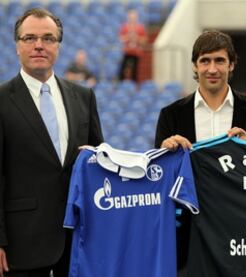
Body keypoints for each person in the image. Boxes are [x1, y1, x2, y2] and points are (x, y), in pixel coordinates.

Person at [154, 30, 246, 275]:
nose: (212, 69)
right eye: (205, 61)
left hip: (241, 229)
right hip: (187, 233)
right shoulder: (171, 115)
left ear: (231, 64)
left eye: (219, 60)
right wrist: (164, 152)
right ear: (195, 65)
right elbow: (160, 178)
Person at [0, 8, 103, 277]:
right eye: (29, 38)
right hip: (21, 244)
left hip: (78, 240)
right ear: (17, 46)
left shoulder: (83, 97)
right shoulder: (1, 100)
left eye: (48, 38)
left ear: (58, 46)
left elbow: (98, 161)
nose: (38, 45)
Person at [118, 9, 148, 82]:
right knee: (122, 69)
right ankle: (121, 84)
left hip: (136, 52)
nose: (132, 19)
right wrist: (128, 37)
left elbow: (144, 40)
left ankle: (134, 85)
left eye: (134, 17)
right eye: (131, 17)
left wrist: (137, 38)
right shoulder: (124, 27)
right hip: (127, 51)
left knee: (135, 71)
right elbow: (120, 38)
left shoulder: (140, 27)